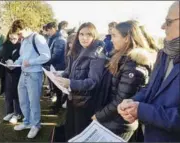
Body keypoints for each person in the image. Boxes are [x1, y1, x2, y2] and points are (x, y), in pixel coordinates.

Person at [117, 1, 180, 142]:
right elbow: (150, 89)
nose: (162, 26)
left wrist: (142, 110)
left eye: (168, 22)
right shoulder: (164, 53)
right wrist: (131, 102)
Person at [92, 20, 157, 141]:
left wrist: (99, 116)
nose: (111, 39)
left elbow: (121, 99)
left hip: (119, 123)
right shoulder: (121, 57)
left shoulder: (134, 63)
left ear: (127, 38)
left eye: (114, 35)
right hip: (112, 119)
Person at [55, 22, 106, 141]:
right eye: (81, 34)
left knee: (81, 134)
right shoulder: (76, 50)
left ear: (94, 36)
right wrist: (59, 75)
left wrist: (70, 83)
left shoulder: (97, 55)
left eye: (89, 34)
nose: (84, 38)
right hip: (72, 98)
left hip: (85, 102)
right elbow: (69, 71)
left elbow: (93, 82)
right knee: (70, 131)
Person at [9, 19, 51, 139]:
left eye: (20, 33)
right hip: (24, 73)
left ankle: (35, 125)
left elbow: (46, 56)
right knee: (23, 100)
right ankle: (27, 122)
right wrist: (14, 63)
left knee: (33, 102)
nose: (19, 36)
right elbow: (23, 57)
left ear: (27, 28)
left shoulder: (37, 38)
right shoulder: (24, 39)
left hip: (34, 74)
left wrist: (31, 62)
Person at [0, 29, 23, 124]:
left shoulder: (22, 46)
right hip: (7, 72)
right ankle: (9, 112)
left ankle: (18, 113)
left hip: (18, 72)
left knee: (16, 93)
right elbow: (1, 55)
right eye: (10, 38)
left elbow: (23, 58)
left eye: (14, 38)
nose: (12, 40)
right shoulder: (6, 45)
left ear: (19, 37)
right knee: (8, 93)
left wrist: (13, 62)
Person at [44, 22, 66, 114]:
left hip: (59, 66)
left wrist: (45, 61)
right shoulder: (53, 38)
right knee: (56, 88)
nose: (47, 33)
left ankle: (58, 106)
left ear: (53, 28)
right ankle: (57, 104)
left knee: (59, 87)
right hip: (54, 66)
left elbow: (56, 56)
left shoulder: (59, 40)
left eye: (48, 30)